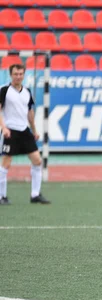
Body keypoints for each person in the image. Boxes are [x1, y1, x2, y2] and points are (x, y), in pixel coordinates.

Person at [0, 64, 50, 205]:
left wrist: (34, 130)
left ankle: (35, 195)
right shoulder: (4, 90)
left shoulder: (27, 91)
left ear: (24, 75)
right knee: (6, 163)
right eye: (16, 74)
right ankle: (1, 196)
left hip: (24, 131)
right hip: (10, 130)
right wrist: (3, 127)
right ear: (11, 75)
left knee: (37, 160)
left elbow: (30, 113)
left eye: (21, 74)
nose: (18, 76)